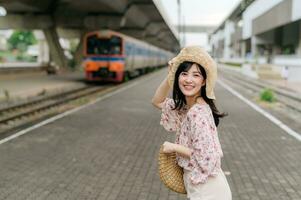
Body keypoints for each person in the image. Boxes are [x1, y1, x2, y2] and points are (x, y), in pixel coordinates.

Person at [152, 46, 232, 200]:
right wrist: (170, 75)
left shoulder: (197, 113)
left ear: (203, 82)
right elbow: (158, 101)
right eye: (184, 74)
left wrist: (174, 147)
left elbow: (206, 156)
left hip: (207, 189)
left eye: (196, 75)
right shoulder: (187, 108)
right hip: (201, 186)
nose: (189, 80)